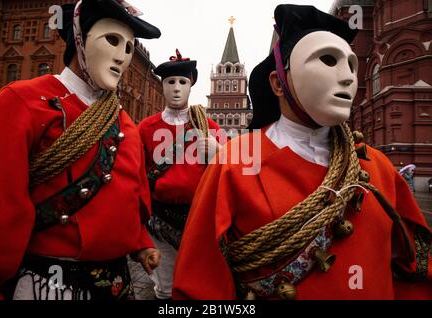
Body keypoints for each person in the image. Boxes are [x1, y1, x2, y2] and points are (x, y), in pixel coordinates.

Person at [173, 4, 431, 300]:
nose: (347, 77)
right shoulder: (234, 163)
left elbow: (416, 270)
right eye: (327, 60)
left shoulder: (378, 166)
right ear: (278, 84)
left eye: (352, 65)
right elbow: (198, 283)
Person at [0, 0, 161, 300]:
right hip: (47, 285)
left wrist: (141, 241)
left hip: (118, 284)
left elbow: (131, 196)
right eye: (113, 40)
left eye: (129, 48)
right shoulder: (23, 103)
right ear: (80, 38)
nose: (122, 57)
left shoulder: (126, 124)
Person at [138, 50, 225, 299]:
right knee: (165, 285)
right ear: (163, 86)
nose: (176, 88)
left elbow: (231, 172)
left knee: (197, 281)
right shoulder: (146, 128)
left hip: (198, 219)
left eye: (182, 82)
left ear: (191, 85)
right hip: (159, 219)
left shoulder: (209, 127)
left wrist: (219, 151)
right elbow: (138, 176)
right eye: (170, 82)